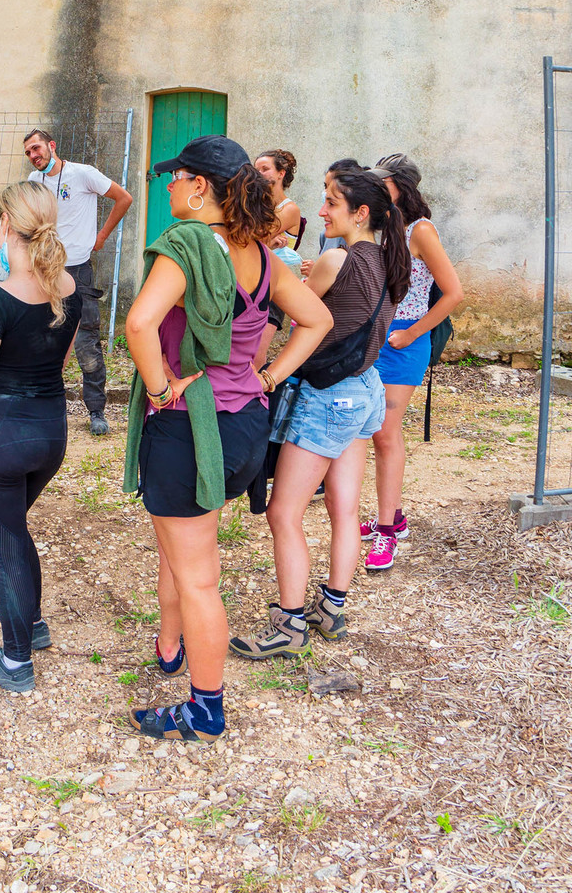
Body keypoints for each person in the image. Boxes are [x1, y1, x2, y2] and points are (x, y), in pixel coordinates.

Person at [122, 137, 331, 739]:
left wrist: (160, 389)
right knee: (179, 542)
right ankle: (169, 645)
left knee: (199, 578)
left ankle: (205, 709)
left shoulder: (185, 244)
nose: (167, 186)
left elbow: (139, 323)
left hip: (191, 428)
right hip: (243, 427)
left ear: (200, 187)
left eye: (175, 176)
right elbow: (315, 319)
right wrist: (267, 375)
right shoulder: (261, 254)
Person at [233, 164, 408, 660]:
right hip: (365, 390)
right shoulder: (390, 260)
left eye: (331, 201)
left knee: (283, 511)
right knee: (345, 510)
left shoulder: (336, 259)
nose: (321, 209)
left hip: (329, 397)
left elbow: (297, 313)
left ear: (361, 212)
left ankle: (289, 625)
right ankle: (331, 608)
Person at [0, 180, 80, 693]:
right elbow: (62, 361)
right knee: (16, 532)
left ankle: (14, 662)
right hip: (51, 434)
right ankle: (33, 625)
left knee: (5, 545)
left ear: (4, 226)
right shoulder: (68, 289)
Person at [363, 155, 465, 569]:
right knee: (375, 432)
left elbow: (454, 293)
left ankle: (387, 531)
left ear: (398, 185)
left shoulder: (420, 230)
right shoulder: (381, 226)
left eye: (379, 182)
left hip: (404, 340)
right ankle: (394, 515)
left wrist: (411, 333)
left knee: (386, 432)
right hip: (374, 336)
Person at [22, 128, 132, 436]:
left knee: (85, 343)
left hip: (78, 271)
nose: (34, 156)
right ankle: (40, 403)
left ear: (51, 146)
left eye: (37, 148)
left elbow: (123, 197)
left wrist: (101, 236)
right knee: (40, 338)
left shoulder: (83, 174)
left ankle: (96, 410)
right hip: (45, 271)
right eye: (29, 153)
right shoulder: (34, 182)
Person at [255, 150, 306, 263]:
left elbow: (253, 239)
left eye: (265, 169)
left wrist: (266, 243)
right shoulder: (258, 205)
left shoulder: (289, 209)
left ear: (281, 173)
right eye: (256, 170)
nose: (259, 174)